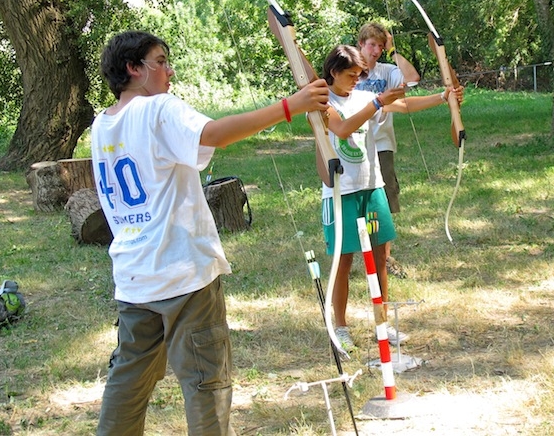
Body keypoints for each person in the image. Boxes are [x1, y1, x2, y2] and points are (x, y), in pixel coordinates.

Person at [91, 30, 329, 436]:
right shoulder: (156, 109)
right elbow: (215, 133)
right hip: (182, 274)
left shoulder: (102, 125)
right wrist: (291, 106)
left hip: (135, 278)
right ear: (133, 69)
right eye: (160, 62)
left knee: (128, 382)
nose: (169, 71)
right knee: (206, 383)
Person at [321, 44, 463, 353]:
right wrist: (376, 103)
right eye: (350, 75)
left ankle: (382, 323)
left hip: (372, 187)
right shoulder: (321, 102)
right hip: (340, 192)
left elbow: (405, 106)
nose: (356, 81)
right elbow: (343, 129)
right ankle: (341, 327)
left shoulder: (362, 96)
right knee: (343, 262)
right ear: (334, 72)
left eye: (360, 75)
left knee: (380, 259)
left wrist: (443, 97)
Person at [354, 22, 420, 278]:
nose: (376, 51)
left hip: (382, 144)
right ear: (361, 43)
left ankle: (385, 256)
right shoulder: (350, 69)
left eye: (380, 46)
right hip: (355, 145)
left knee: (384, 201)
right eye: (372, 45)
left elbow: (412, 79)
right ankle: (360, 254)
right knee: (357, 200)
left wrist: (393, 51)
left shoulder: (387, 70)